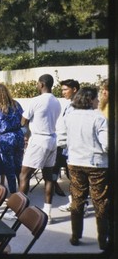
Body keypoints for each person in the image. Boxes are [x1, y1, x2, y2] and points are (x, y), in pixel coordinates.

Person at [63, 87, 108, 250]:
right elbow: (107, 144)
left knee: (77, 199)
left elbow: (62, 137)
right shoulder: (99, 118)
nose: (98, 101)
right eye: (96, 98)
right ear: (90, 100)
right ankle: (103, 239)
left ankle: (75, 236)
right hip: (96, 164)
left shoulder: (70, 116)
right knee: (100, 201)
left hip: (75, 162)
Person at [18, 74, 61, 223]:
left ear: (42, 84)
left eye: (38, 84)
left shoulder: (36, 100)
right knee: (49, 177)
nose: (37, 86)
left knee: (24, 175)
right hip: (52, 140)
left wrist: (27, 128)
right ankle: (47, 213)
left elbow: (23, 121)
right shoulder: (57, 101)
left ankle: (20, 211)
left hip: (38, 140)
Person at [0, 82, 24, 194]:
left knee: (9, 167)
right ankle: (23, 190)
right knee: (19, 166)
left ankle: (13, 192)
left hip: (6, 138)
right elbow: (23, 119)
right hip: (18, 135)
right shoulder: (16, 104)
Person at [55, 79, 83, 212]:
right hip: (66, 146)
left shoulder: (77, 105)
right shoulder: (69, 104)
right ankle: (74, 203)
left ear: (75, 90)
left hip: (73, 147)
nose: (63, 92)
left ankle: (80, 206)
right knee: (71, 176)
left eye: (66, 89)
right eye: (62, 90)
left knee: (75, 178)